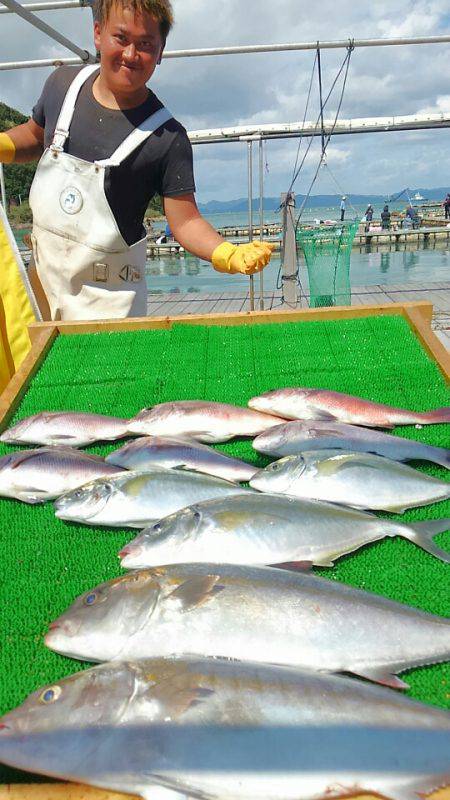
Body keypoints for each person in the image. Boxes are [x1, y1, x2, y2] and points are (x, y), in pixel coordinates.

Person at [0, 0, 274, 321]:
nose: (131, 54)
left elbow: (185, 221)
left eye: (145, 44)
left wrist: (225, 252)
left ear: (160, 52)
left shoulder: (168, 138)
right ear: (98, 33)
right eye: (121, 38)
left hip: (108, 303)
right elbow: (35, 135)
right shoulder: (62, 85)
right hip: (39, 289)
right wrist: (5, 144)